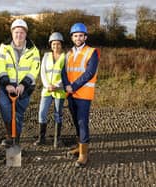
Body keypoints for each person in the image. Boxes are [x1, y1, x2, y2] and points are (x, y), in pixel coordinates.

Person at [0, 19, 40, 146]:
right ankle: (10, 135)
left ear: (26, 34)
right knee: (5, 109)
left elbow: (34, 69)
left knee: (19, 114)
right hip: (7, 86)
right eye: (16, 32)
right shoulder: (4, 47)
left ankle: (16, 141)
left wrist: (23, 84)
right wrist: (7, 84)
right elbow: (0, 65)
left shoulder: (33, 49)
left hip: (24, 88)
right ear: (12, 33)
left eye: (21, 33)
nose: (19, 35)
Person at [62, 23, 99, 167]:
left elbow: (89, 73)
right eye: (75, 35)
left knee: (82, 122)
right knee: (76, 121)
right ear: (72, 37)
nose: (78, 38)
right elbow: (63, 72)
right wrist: (66, 86)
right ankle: (79, 147)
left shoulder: (92, 52)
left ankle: (84, 154)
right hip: (71, 93)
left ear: (85, 37)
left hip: (83, 94)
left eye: (80, 35)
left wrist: (73, 86)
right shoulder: (69, 53)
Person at [34, 32, 66, 146]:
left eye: (58, 44)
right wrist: (47, 85)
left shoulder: (65, 57)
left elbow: (66, 75)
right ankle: (41, 137)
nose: (55, 47)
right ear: (50, 45)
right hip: (47, 89)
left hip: (59, 90)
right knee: (42, 112)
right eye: (53, 44)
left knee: (58, 113)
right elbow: (42, 72)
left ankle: (58, 139)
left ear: (61, 45)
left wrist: (56, 85)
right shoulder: (46, 56)